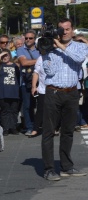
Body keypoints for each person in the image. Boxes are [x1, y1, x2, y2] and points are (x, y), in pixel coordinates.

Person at [41, 19, 88, 181]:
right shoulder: (49, 48)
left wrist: (61, 47)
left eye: (67, 29)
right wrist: (48, 50)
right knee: (48, 132)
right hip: (53, 92)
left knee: (68, 132)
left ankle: (66, 166)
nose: (65, 32)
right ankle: (48, 169)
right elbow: (49, 71)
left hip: (72, 92)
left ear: (72, 30)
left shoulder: (80, 46)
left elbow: (79, 59)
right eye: (61, 29)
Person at [17, 30, 41, 135]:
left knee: (42, 105)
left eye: (30, 38)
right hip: (25, 81)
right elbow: (24, 62)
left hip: (40, 80)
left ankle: (40, 125)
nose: (28, 40)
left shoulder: (40, 49)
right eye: (26, 38)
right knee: (28, 106)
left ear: (34, 39)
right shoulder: (21, 49)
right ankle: (29, 127)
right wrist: (40, 60)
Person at [0, 49, 20, 135]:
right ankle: (5, 128)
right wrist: (0, 56)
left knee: (14, 110)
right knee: (5, 111)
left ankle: (13, 127)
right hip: (3, 92)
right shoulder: (0, 65)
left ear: (10, 56)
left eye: (6, 55)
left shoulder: (15, 65)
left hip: (14, 92)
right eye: (3, 56)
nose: (5, 57)